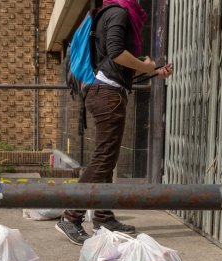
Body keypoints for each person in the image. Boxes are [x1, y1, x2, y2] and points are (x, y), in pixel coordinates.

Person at [56, 0, 173, 245]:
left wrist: (154, 70)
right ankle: (70, 216)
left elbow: (113, 64)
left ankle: (103, 217)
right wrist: (145, 65)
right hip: (108, 96)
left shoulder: (111, 12)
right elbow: (117, 53)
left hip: (107, 92)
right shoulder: (119, 13)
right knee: (103, 160)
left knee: (106, 160)